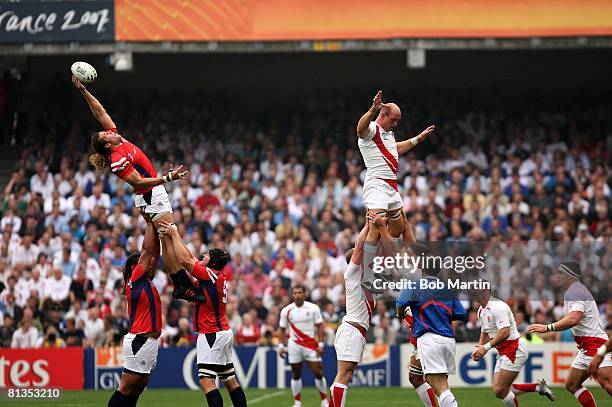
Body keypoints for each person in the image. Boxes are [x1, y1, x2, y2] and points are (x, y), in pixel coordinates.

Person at [72, 76, 197, 302]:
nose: (110, 130)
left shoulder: (117, 140)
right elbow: (138, 182)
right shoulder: (117, 158)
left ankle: (150, 277)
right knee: (169, 236)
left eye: (107, 131)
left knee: (160, 241)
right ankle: (180, 283)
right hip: (150, 193)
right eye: (107, 134)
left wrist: (83, 91)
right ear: (108, 144)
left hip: (148, 196)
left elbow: (100, 112)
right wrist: (167, 178)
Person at [158, 219, 246, 407]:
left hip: (211, 333)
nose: (202, 256)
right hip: (221, 331)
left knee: (207, 381)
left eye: (206, 255)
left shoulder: (210, 274)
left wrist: (174, 234)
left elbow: (185, 260)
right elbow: (189, 257)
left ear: (211, 261)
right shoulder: (216, 275)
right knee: (230, 380)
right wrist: (172, 239)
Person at [528, 261, 610, 407]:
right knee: (572, 384)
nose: (557, 276)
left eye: (561, 273)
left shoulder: (575, 292)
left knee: (608, 384)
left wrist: (547, 327)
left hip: (595, 345)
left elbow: (574, 318)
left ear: (571, 276)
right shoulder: (575, 291)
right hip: (587, 347)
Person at [396, 243, 467, 407]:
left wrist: (400, 314)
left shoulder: (415, 285)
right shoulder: (448, 288)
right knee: (440, 383)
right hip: (448, 340)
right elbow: (461, 314)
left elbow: (401, 303)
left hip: (429, 338)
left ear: (423, 269)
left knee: (440, 387)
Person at [356, 90, 434, 238]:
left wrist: (418, 139)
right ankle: (362, 258)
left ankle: (367, 250)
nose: (396, 124)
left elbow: (395, 149)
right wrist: (373, 109)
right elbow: (360, 130)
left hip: (391, 186)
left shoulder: (388, 134)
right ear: (383, 115)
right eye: (394, 120)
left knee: (398, 228)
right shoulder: (372, 129)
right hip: (377, 185)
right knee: (375, 228)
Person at [108, 216, 162, 407]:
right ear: (134, 267)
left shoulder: (145, 281)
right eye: (141, 262)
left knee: (137, 389)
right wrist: (150, 222)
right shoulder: (136, 279)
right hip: (140, 339)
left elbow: (154, 255)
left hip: (149, 340)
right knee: (125, 388)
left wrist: (158, 228)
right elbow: (148, 251)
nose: (148, 264)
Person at [472, 286, 554, 406]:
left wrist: (485, 348)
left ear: (487, 291)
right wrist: (480, 347)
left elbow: (505, 332)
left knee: (501, 389)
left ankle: (537, 387)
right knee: (498, 391)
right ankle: (537, 387)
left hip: (515, 348)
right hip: (503, 351)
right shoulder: (481, 310)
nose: (474, 292)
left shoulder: (497, 307)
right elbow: (485, 331)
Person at [278, 285, 328, 407]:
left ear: (305, 294)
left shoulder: (313, 308)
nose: (297, 295)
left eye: (300, 292)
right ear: (292, 295)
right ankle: (297, 402)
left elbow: (320, 326)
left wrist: (321, 343)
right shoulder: (286, 310)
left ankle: (324, 401)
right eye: (295, 293)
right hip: (294, 345)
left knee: (318, 373)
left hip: (311, 345)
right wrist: (280, 345)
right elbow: (282, 329)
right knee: (295, 374)